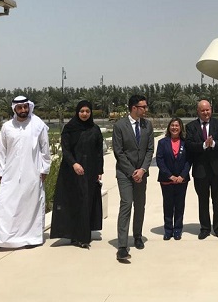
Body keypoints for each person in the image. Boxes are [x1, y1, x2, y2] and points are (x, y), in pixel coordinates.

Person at [0, 96, 51, 254]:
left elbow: (45, 148)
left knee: (30, 205)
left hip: (33, 171)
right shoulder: (7, 127)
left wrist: (44, 169)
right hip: (10, 173)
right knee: (4, 205)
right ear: (14, 109)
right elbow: (1, 150)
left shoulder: (38, 124)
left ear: (29, 107)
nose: (23, 110)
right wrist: (0, 171)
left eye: (25, 107)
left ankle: (32, 238)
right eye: (20, 107)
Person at [50, 100, 104, 249]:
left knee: (86, 202)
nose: (85, 114)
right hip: (71, 171)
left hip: (90, 171)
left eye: (87, 111)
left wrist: (99, 170)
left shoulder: (95, 129)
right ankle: (73, 234)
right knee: (74, 201)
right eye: (82, 111)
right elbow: (66, 150)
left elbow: (99, 152)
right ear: (77, 112)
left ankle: (83, 236)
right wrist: (74, 164)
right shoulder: (69, 128)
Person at [113, 94, 154, 261]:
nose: (145, 109)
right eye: (143, 107)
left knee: (140, 205)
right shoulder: (119, 126)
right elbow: (118, 152)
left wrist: (142, 170)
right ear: (134, 107)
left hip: (141, 174)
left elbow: (150, 150)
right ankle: (122, 246)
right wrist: (132, 172)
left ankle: (137, 236)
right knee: (126, 204)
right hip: (125, 173)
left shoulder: (147, 125)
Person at [186, 100, 218, 239]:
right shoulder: (191, 126)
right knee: (203, 200)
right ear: (198, 111)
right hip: (200, 169)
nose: (206, 113)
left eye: (208, 110)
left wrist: (214, 143)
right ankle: (205, 228)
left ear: (211, 109)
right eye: (202, 110)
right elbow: (189, 145)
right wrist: (203, 145)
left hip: (217, 168)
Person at [156, 118, 190, 241]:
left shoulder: (186, 143)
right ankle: (168, 230)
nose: (174, 128)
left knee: (180, 205)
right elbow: (159, 160)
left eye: (177, 125)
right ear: (169, 127)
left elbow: (189, 161)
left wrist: (182, 176)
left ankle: (177, 230)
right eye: (172, 125)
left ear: (180, 128)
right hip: (166, 179)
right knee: (168, 205)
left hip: (182, 180)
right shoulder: (162, 142)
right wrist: (170, 176)